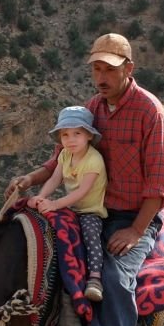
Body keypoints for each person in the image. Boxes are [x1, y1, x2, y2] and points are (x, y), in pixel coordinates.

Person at [7, 33, 164, 326]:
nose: (101, 76)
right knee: (34, 254)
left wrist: (135, 230)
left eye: (110, 69)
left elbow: (162, 180)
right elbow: (60, 159)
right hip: (87, 209)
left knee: (115, 278)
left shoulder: (150, 111)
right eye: (96, 68)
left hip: (131, 216)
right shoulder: (90, 109)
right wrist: (29, 181)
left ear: (128, 69)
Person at [28, 106, 107, 302]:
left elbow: (83, 191)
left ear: (89, 135)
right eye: (65, 135)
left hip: (90, 210)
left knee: (90, 234)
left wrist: (54, 204)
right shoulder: (64, 154)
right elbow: (55, 179)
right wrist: (41, 196)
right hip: (70, 207)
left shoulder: (94, 160)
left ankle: (95, 279)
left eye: (77, 133)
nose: (70, 139)